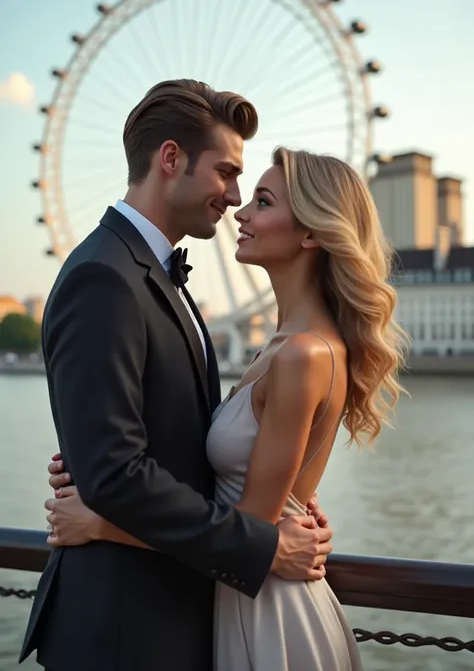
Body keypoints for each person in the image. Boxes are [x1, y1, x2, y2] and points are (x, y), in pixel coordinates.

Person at [44, 145, 408, 670]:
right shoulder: (280, 347)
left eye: (262, 200)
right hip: (238, 600)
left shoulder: (303, 354)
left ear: (310, 233)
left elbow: (250, 533)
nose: (241, 210)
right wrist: (92, 459)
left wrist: (100, 524)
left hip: (269, 615)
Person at [19, 80, 334, 671]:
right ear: (170, 159)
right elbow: (116, 474)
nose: (235, 195)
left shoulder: (154, 275)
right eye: (226, 172)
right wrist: (264, 547)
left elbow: (167, 443)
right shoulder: (105, 278)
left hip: (171, 614)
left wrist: (289, 495)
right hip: (125, 629)